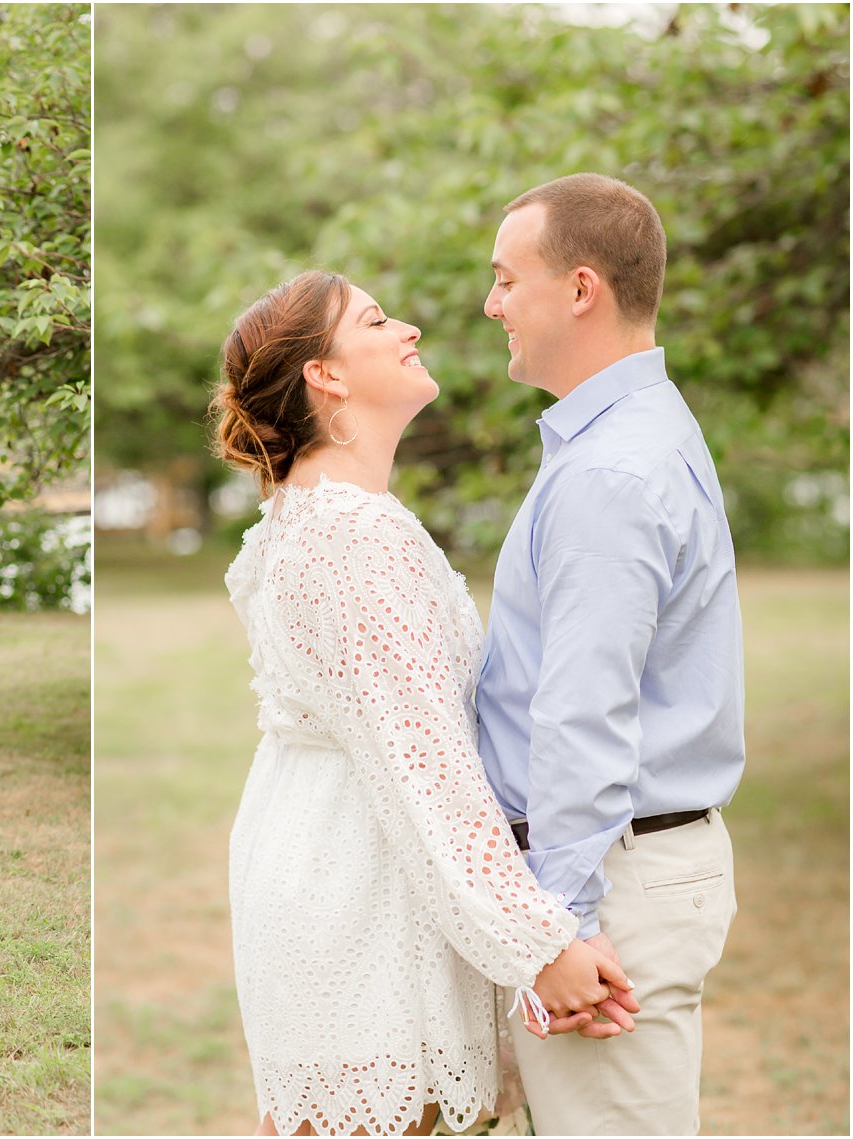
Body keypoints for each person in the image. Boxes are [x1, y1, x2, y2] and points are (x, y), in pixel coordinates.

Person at [212, 271, 635, 1138]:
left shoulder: (328, 517)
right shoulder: (350, 536)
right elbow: (426, 768)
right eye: (374, 319)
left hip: (329, 861)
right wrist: (540, 945)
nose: (408, 325)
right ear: (324, 375)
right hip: (355, 892)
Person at [478, 173, 744, 1135]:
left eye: (509, 279)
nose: (491, 303)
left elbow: (583, 712)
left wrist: (565, 924)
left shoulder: (611, 471)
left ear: (580, 288)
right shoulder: (628, 437)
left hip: (611, 883)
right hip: (621, 865)